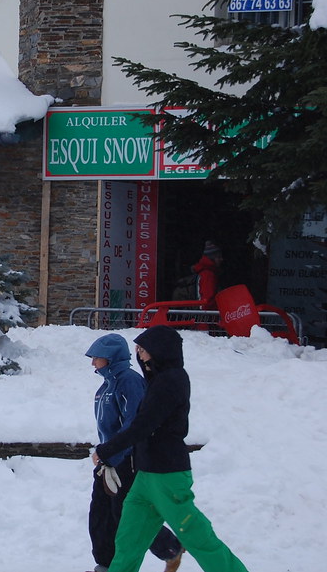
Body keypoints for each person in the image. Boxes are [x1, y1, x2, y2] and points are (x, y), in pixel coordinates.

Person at [91, 326, 249, 572]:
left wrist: (107, 450)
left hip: (168, 475)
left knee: (197, 537)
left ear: (159, 351)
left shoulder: (171, 380)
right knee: (129, 540)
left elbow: (143, 425)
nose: (139, 356)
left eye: (143, 350)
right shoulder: (155, 381)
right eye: (138, 350)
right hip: (145, 475)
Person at [85, 333, 184, 572]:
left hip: (127, 460)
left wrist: (114, 453)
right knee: (100, 516)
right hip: (108, 461)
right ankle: (106, 565)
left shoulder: (129, 381)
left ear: (110, 357)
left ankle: (170, 547)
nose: (92, 363)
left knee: (128, 516)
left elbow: (135, 422)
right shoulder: (104, 387)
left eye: (96, 357)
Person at [192, 241, 223, 309]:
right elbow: (208, 300)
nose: (221, 259)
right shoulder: (208, 274)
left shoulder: (204, 271)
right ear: (212, 258)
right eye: (218, 257)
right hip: (206, 316)